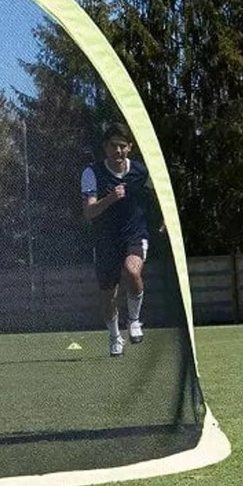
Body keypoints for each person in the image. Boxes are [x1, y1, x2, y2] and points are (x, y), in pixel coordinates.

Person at [81, 120, 155, 357]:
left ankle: (134, 320)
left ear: (130, 147)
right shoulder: (92, 173)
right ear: (105, 147)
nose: (118, 150)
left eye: (122, 146)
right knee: (108, 296)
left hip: (135, 234)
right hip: (106, 241)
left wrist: (165, 219)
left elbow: (160, 196)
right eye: (113, 145)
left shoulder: (142, 171)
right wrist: (110, 198)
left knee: (132, 271)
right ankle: (115, 337)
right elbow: (89, 212)